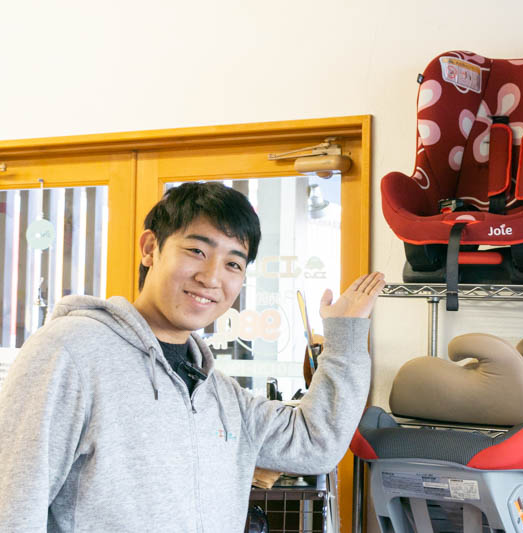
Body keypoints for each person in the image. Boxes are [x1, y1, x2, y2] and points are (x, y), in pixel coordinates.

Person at [0, 182, 385, 532]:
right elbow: (12, 507)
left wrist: (345, 337)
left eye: (233, 264)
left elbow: (316, 444)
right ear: (150, 249)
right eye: (197, 251)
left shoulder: (219, 394)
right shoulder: (69, 351)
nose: (211, 277)